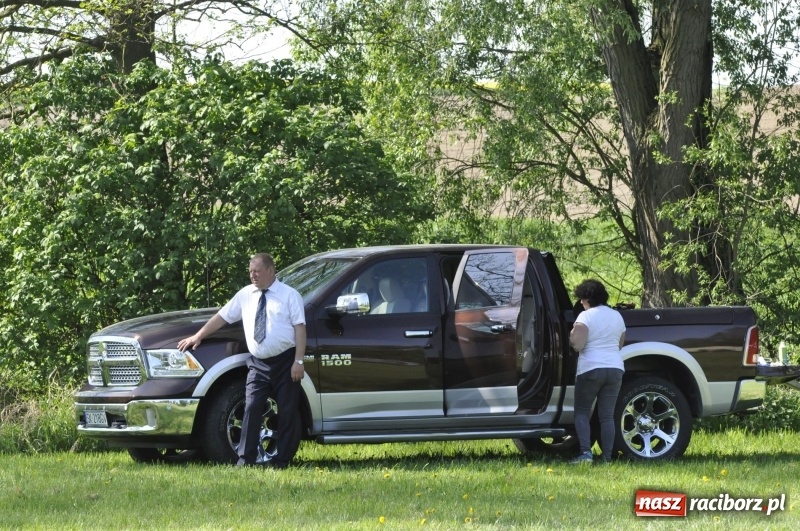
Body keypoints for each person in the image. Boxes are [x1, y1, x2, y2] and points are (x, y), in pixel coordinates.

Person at [177, 253, 306, 469]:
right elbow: (222, 316)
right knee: (252, 406)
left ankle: (281, 460)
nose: (252, 275)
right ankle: (245, 459)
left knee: (287, 409)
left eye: (257, 271)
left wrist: (298, 361)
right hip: (258, 362)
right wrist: (198, 336)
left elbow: (300, 328)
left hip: (286, 360)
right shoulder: (246, 294)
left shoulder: (290, 295)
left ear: (271, 270)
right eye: (250, 271)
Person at [568, 279, 626, 464]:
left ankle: (586, 453)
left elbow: (577, 345)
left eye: (582, 300)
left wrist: (571, 335)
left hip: (591, 369)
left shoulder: (586, 317)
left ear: (586, 299)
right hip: (615, 368)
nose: (581, 304)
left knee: (582, 412)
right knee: (607, 416)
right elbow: (619, 344)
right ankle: (607, 457)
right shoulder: (617, 316)